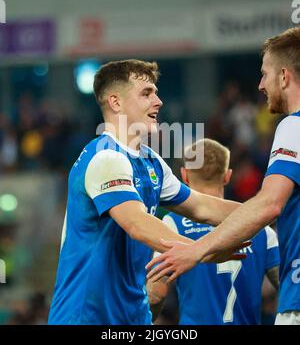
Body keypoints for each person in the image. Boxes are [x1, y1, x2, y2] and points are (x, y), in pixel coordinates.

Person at [48, 60, 247, 325]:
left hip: (133, 317)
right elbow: (137, 224)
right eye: (147, 93)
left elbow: (202, 207)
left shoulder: (151, 162)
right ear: (116, 103)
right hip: (85, 317)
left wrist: (265, 211)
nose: (159, 101)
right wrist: (203, 250)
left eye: (155, 92)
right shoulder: (106, 158)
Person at [147, 27, 300, 325]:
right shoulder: (262, 234)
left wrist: (195, 251)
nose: (260, 85)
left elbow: (270, 204)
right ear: (227, 175)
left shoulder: (294, 126)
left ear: (284, 76)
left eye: (265, 74)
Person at [146, 139, 280, 325]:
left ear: (184, 176)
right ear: (227, 176)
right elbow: (290, 285)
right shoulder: (260, 228)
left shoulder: (172, 224)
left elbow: (155, 294)